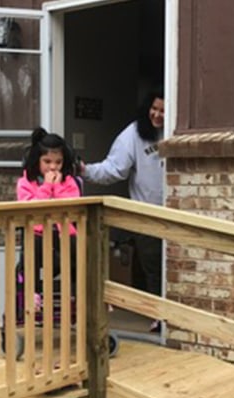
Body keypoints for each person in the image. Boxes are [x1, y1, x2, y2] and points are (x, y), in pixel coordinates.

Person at [79, 89, 165, 330]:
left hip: (177, 212)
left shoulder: (174, 131)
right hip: (147, 214)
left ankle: (171, 317)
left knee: (175, 267)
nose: (157, 115)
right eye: (154, 109)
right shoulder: (134, 134)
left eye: (163, 111)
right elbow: (114, 169)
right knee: (154, 266)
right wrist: (86, 171)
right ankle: (159, 316)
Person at [17, 127, 81, 306]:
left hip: (64, 234)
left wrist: (57, 187)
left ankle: (76, 292)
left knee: (78, 246)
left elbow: (72, 206)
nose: (53, 167)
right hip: (37, 234)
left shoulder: (70, 182)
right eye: (47, 161)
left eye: (58, 162)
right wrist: (46, 187)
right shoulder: (25, 182)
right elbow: (30, 209)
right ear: (37, 160)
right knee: (32, 247)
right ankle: (32, 293)